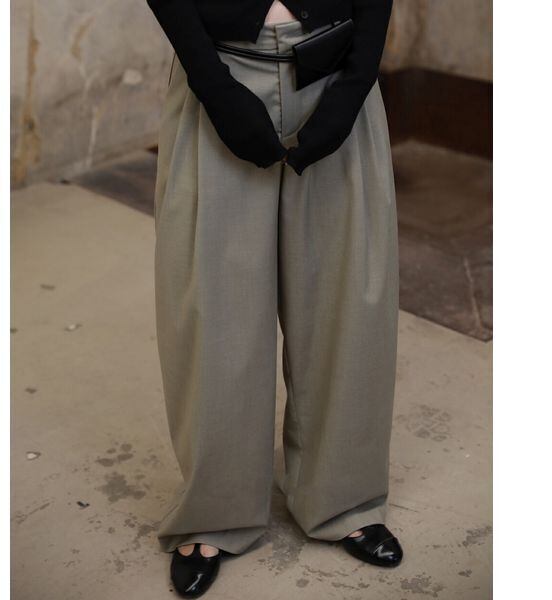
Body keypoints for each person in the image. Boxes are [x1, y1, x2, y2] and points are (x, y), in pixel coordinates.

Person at [145, 0, 403, 596]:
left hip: (337, 66)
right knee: (216, 313)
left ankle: (345, 499)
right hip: (220, 72)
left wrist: (357, 81)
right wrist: (215, 89)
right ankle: (214, 511)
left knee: (347, 307)